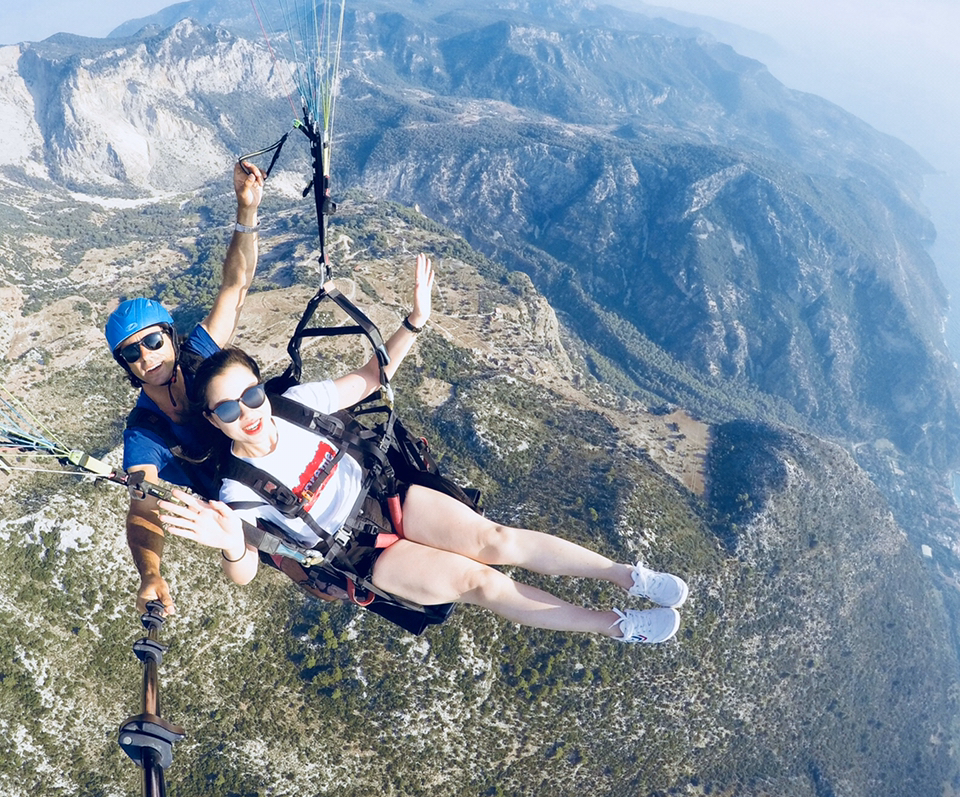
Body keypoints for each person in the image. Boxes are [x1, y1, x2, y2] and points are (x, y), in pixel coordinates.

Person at [158, 255, 689, 642]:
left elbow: (370, 377)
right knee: (481, 582)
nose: (248, 413)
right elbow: (245, 571)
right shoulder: (236, 492)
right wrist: (231, 544)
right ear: (213, 420)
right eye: (228, 409)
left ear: (262, 388)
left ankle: (627, 577)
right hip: (360, 553)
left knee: (496, 540)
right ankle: (617, 626)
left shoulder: (296, 404)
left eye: (252, 395)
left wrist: (415, 321)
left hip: (387, 492)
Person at [107, 161, 265, 615]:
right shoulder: (145, 431)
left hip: (266, 457)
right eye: (132, 353)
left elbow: (235, 287)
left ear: (171, 337)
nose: (146, 356)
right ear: (125, 365)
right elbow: (143, 507)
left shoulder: (198, 355)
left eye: (154, 341)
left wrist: (246, 210)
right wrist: (150, 574)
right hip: (238, 507)